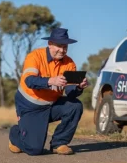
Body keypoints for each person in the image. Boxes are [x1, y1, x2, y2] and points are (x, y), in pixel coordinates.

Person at [7, 27, 88, 156]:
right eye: (59, 46)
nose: (62, 50)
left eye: (65, 47)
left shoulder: (69, 63)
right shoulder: (34, 56)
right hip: (30, 107)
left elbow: (70, 92)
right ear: (50, 44)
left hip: (51, 105)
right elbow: (29, 81)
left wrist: (79, 87)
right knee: (34, 149)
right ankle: (16, 133)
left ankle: (59, 143)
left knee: (75, 106)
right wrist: (51, 81)